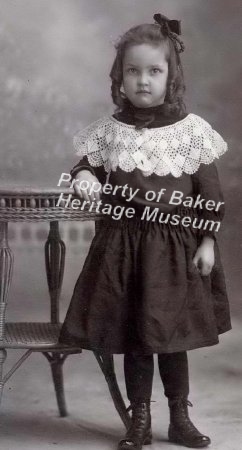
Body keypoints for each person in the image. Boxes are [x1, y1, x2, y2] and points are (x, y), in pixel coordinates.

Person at [59, 13, 231, 450]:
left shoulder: (190, 133)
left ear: (171, 77)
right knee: (137, 339)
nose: (142, 80)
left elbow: (207, 192)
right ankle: (139, 418)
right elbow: (86, 165)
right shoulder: (110, 131)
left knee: (172, 340)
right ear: (119, 77)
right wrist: (85, 177)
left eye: (154, 71)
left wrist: (207, 240)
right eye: (132, 71)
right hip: (124, 249)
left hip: (175, 251)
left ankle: (178, 417)